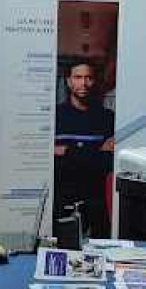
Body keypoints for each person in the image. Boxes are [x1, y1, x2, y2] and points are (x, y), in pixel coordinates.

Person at [53, 59, 115, 238]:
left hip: (96, 203)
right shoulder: (55, 116)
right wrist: (94, 154)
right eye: (78, 77)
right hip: (61, 202)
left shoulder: (107, 118)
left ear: (94, 81)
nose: (83, 83)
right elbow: (51, 162)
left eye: (88, 78)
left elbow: (107, 162)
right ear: (68, 81)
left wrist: (67, 151)